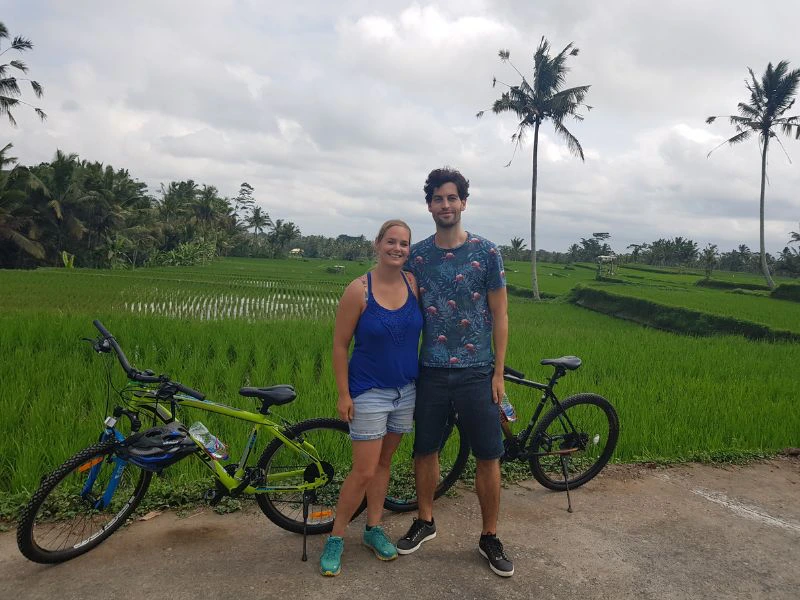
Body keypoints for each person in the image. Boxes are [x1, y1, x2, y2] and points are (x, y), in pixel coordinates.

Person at [397, 167, 513, 577]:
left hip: (477, 372)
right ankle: (425, 521)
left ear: (464, 202)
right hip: (430, 371)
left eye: (452, 198)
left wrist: (497, 373)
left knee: (488, 455)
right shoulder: (418, 257)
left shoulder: (487, 252)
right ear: (429, 205)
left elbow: (500, 315)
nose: (445, 205)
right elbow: (399, 308)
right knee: (425, 449)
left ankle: (489, 536)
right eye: (437, 198)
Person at [320, 219, 423, 577]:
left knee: (384, 464)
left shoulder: (413, 284)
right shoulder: (358, 291)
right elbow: (339, 345)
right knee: (363, 469)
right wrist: (344, 393)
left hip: (405, 391)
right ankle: (335, 537)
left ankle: (373, 529)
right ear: (377, 244)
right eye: (391, 242)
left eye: (404, 244)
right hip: (368, 392)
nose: (397, 249)